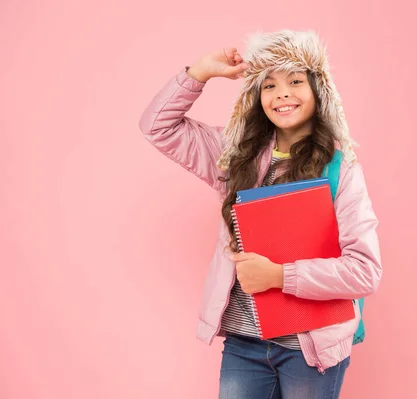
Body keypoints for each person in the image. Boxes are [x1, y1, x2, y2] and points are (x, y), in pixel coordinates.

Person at [138, 29, 382, 399]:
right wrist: (199, 72)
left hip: (310, 351)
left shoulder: (341, 170)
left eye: (295, 81)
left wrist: (279, 276)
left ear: (320, 91)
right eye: (269, 85)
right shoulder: (235, 157)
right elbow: (157, 126)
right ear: (256, 97)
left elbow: (365, 270)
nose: (282, 93)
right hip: (243, 345)